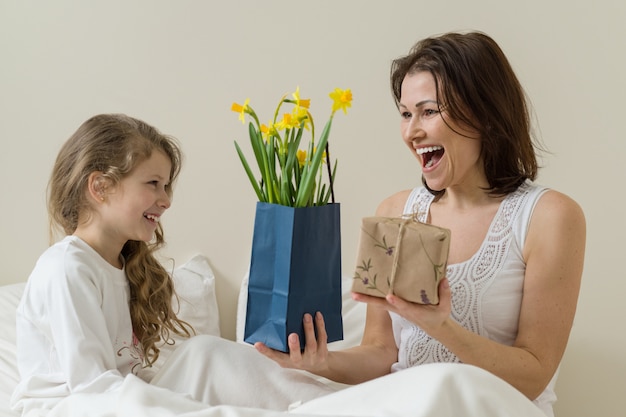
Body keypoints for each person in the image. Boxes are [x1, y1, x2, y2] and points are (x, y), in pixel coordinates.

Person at [254, 31, 586, 417]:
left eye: (428, 111)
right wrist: (319, 363)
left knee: (444, 382)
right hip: (405, 403)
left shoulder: (550, 216)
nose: (412, 132)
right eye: (406, 114)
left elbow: (535, 375)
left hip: (492, 408)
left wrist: (438, 325)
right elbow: (381, 354)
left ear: (485, 116)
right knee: (224, 360)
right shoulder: (395, 210)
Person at [10, 114, 195, 414]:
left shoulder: (117, 267)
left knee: (203, 356)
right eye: (153, 183)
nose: (166, 200)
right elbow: (92, 387)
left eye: (166, 186)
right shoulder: (68, 267)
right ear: (100, 187)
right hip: (66, 409)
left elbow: (121, 379)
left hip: (109, 400)